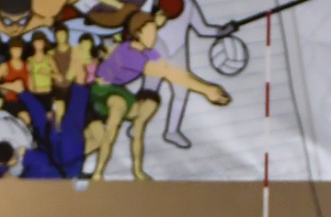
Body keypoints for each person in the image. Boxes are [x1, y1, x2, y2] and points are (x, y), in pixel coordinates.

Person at [82, 8, 229, 181]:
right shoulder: (128, 53)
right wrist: (206, 89)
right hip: (99, 91)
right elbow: (167, 72)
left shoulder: (148, 51)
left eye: (155, 31)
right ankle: (98, 173)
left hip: (115, 90)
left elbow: (176, 71)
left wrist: (207, 88)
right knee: (107, 130)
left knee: (103, 138)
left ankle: (136, 170)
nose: (155, 36)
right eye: (151, 32)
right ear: (138, 33)